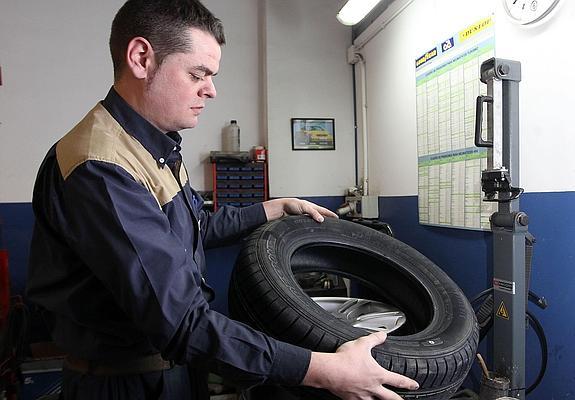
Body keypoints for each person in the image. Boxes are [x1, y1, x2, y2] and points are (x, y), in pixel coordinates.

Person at [26, 1, 419, 399]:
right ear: (142, 58)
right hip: (124, 384)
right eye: (198, 74)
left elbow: (194, 227)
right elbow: (182, 324)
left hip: (171, 369)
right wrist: (323, 370)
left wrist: (273, 207)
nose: (211, 90)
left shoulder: (152, 148)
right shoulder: (101, 168)